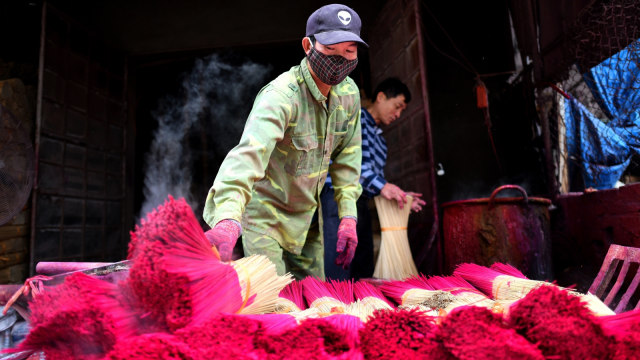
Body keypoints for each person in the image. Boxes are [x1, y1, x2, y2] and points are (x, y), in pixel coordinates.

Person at [202, 4, 367, 280]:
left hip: (307, 223)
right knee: (274, 303)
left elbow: (349, 158)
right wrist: (229, 219)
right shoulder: (281, 96)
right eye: (330, 50)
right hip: (266, 218)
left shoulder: (349, 93)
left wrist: (348, 216)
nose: (340, 60)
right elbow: (248, 156)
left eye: (349, 52)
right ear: (308, 45)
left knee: (312, 305)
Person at [322, 77, 427, 280]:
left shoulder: (381, 141)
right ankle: (334, 303)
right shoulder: (356, 118)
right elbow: (348, 163)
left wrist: (400, 195)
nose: (397, 115)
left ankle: (362, 306)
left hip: (360, 200)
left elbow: (375, 181)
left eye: (402, 111)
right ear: (380, 97)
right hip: (337, 197)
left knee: (362, 260)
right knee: (339, 258)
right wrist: (385, 186)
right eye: (397, 106)